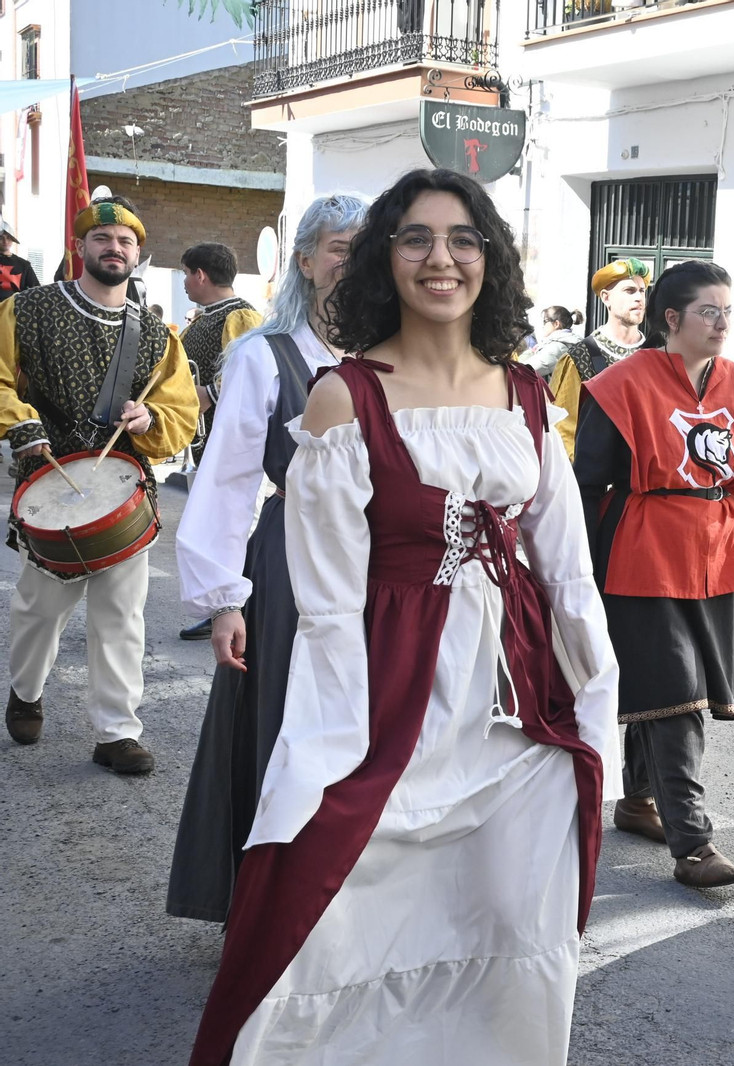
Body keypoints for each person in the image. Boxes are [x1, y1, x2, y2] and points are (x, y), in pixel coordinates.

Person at [185, 168, 618, 1065]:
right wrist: (324, 745)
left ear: (490, 259)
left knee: (511, 890)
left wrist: (596, 701)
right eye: (416, 238)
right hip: (392, 681)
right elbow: (329, 603)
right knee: (347, 889)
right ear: (386, 259)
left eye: (463, 239)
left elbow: (567, 570)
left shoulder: (528, 395)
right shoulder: (344, 397)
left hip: (514, 687)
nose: (441, 258)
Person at [166, 194, 369, 924]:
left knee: (377, 730)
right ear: (307, 261)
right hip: (296, 562)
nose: (354, 260)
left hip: (387, 566)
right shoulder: (267, 355)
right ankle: (277, 908)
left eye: (368, 246)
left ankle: (363, 904)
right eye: (342, 245)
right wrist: (225, 598)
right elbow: (225, 483)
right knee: (287, 724)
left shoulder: (403, 360)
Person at [573, 259, 734, 888]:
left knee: (669, 689)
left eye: (728, 310)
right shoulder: (622, 385)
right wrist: (574, 571)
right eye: (708, 310)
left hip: (723, 555)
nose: (722, 322)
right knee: (677, 693)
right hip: (643, 556)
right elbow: (588, 486)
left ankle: (640, 801)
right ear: (671, 319)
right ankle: (692, 844)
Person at [0, 196, 198, 773]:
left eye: (126, 242)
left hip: (124, 495)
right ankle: (26, 690)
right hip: (49, 484)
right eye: (103, 239)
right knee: (40, 608)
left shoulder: (158, 334)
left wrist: (150, 418)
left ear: (137, 255)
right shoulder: (26, 310)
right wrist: (21, 425)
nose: (115, 248)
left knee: (120, 615)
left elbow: (179, 408)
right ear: (81, 248)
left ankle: (116, 733)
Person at [550, 257, 650, 458]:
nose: (638, 298)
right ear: (606, 297)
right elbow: (563, 429)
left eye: (642, 291)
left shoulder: (658, 353)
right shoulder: (581, 356)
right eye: (629, 291)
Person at [179, 241, 263, 475]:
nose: (184, 282)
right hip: (205, 441)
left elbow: (254, 371)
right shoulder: (202, 319)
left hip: (232, 446)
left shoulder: (241, 315)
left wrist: (209, 394)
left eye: (186, 273)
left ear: (200, 275)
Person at [525, 303, 584, 377]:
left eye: (545, 321)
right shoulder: (569, 341)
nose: (543, 326)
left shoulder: (558, 347)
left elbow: (527, 369)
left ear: (556, 324)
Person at [0, 222, 40, 301]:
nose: (5, 241)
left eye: (8, 237)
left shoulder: (23, 265)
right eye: (1, 238)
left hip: (14, 308)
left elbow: (36, 290)